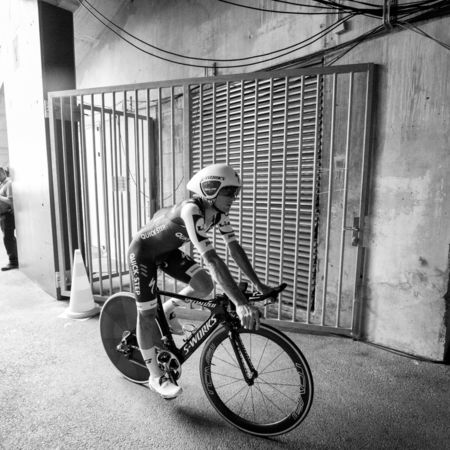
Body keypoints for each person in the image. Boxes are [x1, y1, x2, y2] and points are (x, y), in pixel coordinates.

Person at [128, 163, 273, 399]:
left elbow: (234, 249)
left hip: (167, 251)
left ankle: (168, 310)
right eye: (229, 192)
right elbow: (212, 260)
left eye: (235, 192)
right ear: (210, 189)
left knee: (205, 285)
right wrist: (240, 303)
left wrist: (258, 284)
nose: (233, 198)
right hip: (143, 253)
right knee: (146, 313)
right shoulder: (191, 211)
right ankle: (155, 377)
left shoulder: (218, 214)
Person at [0, 167, 18, 271]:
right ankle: (15, 259)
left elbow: (11, 201)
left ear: (2, 172)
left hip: (7, 215)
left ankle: (14, 262)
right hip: (3, 216)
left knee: (8, 238)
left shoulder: (9, 184)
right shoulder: (2, 185)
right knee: (8, 238)